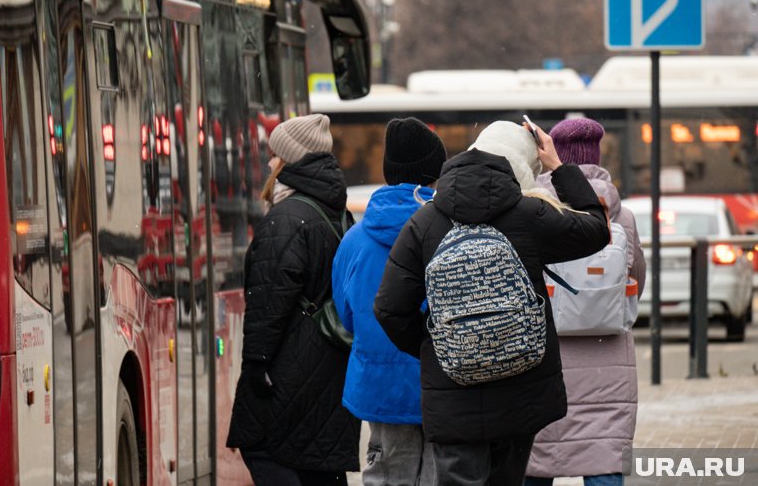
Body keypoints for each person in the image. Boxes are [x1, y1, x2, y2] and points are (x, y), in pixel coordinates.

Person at [373, 120, 611, 486]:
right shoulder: (529, 215)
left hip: (453, 398)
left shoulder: (424, 223)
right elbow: (597, 230)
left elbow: (389, 308)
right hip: (521, 391)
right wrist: (560, 168)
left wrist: (439, 347)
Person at [227, 114, 360, 486]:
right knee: (316, 467)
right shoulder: (335, 211)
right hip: (327, 368)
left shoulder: (285, 219)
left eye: (274, 155)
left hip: (287, 374)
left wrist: (256, 365)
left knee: (268, 453)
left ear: (290, 161)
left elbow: (268, 302)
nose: (269, 163)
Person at [525, 118, 646, 486]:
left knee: (537, 464)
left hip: (547, 364)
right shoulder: (620, 216)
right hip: (607, 365)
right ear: (598, 154)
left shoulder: (534, 210)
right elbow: (636, 283)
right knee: (604, 461)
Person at [332, 117, 447, 486]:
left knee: (386, 475)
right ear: (435, 172)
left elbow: (346, 316)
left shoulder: (355, 239)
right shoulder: (451, 230)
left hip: (379, 384)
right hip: (441, 382)